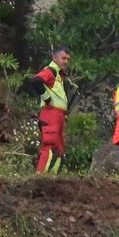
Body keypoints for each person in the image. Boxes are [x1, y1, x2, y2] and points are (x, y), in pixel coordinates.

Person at [31, 47, 72, 175]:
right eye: (63, 58)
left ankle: (52, 179)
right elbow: (36, 81)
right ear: (54, 58)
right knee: (49, 146)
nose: (66, 61)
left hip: (58, 114)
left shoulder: (59, 74)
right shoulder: (51, 71)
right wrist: (47, 99)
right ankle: (41, 177)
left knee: (58, 149)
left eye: (68, 59)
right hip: (50, 114)